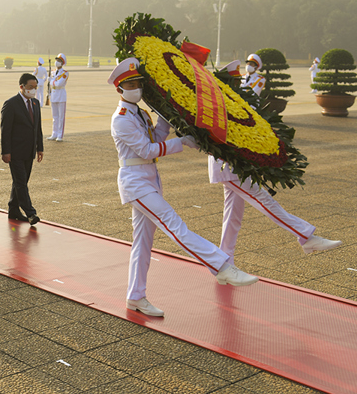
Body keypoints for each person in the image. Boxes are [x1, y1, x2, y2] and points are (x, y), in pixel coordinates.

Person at [108, 57, 258, 318]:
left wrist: (168, 115)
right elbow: (147, 150)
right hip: (135, 183)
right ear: (119, 89)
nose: (136, 88)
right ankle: (221, 265)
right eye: (130, 84)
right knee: (174, 225)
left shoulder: (140, 113)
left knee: (143, 243)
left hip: (149, 180)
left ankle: (136, 296)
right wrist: (183, 142)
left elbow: (155, 138)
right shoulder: (121, 119)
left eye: (138, 83)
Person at [209, 60, 341, 262]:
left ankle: (223, 260)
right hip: (229, 167)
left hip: (235, 166)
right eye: (235, 81)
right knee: (265, 200)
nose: (239, 85)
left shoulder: (232, 102)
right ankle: (306, 236)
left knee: (233, 217)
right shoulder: (221, 104)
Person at [0, 73, 44, 225]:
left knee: (21, 181)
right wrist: (5, 151)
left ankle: (13, 210)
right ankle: (31, 213)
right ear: (22, 87)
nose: (33, 90)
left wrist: (40, 148)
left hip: (29, 151)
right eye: (30, 87)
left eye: (35, 87)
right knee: (20, 183)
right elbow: (5, 130)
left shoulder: (35, 103)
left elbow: (37, 128)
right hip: (15, 151)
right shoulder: (11, 104)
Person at [49, 53, 68, 141]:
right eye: (56, 60)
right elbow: (52, 84)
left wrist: (51, 81)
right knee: (54, 116)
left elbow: (59, 83)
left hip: (61, 95)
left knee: (61, 117)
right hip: (53, 95)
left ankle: (60, 135)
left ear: (62, 63)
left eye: (59, 61)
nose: (57, 62)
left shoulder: (65, 73)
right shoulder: (53, 72)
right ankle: (54, 133)